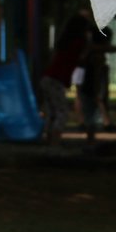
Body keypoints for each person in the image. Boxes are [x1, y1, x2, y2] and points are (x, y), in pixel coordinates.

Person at [38, 11, 90, 145]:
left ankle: (48, 139)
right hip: (56, 79)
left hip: (48, 77)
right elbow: (83, 56)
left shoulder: (64, 41)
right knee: (62, 112)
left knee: (52, 112)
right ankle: (55, 140)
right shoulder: (78, 43)